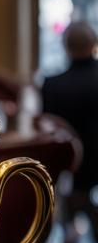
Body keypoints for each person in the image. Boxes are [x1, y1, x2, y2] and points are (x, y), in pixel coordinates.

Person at [42, 21, 98, 203]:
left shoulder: (52, 86)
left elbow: (50, 131)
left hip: (69, 170)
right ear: (94, 44)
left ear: (66, 47)